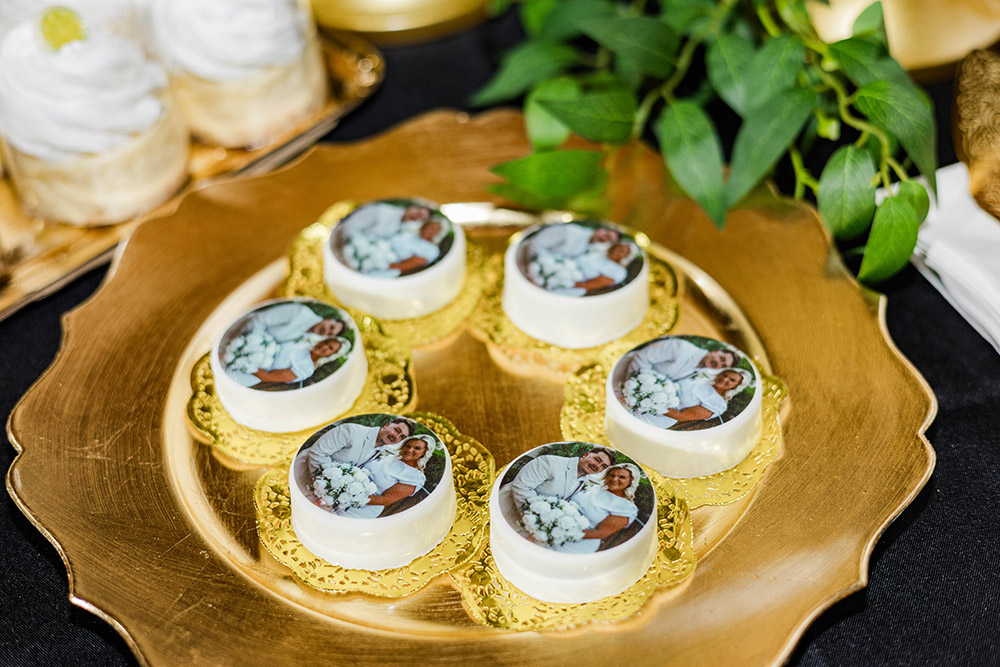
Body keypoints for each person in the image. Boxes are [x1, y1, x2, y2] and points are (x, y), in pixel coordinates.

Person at [506, 446, 616, 522]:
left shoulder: (584, 481)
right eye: (597, 459)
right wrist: (537, 519)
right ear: (586, 455)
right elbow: (521, 487)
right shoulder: (550, 462)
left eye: (603, 466)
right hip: (507, 512)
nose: (598, 466)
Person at [342, 434, 436, 518]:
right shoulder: (391, 458)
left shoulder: (415, 477)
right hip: (342, 492)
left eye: (417, 448)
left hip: (359, 508)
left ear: (425, 453)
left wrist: (347, 495)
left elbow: (385, 500)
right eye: (408, 446)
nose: (410, 450)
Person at [555, 463, 641, 553]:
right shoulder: (595, 488)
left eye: (622, 477)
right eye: (612, 475)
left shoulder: (626, 508)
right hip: (552, 527)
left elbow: (600, 533)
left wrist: (558, 530)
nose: (615, 479)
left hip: (575, 543)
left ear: (631, 481)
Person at [637, 368, 753, 429]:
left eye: (732, 380)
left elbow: (680, 416)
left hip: (656, 416)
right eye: (724, 375)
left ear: (737, 386)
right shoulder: (702, 380)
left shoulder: (717, 404)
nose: (725, 379)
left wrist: (649, 400)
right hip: (643, 400)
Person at [307, 417, 415, 470]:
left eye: (402, 437)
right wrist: (325, 483)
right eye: (396, 430)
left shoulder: (380, 451)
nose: (396, 436)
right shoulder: (351, 430)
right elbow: (318, 453)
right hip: (303, 474)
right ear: (387, 425)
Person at [626, 338, 738, 381]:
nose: (718, 363)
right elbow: (642, 357)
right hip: (624, 371)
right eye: (721, 358)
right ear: (715, 352)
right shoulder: (681, 347)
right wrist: (637, 384)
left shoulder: (698, 372)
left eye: (723, 366)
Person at [244, 301, 345, 343]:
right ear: (328, 319)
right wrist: (253, 342)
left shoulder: (307, 337)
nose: (326, 331)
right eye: (331, 327)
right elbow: (259, 319)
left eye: (330, 334)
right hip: (243, 329)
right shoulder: (301, 312)